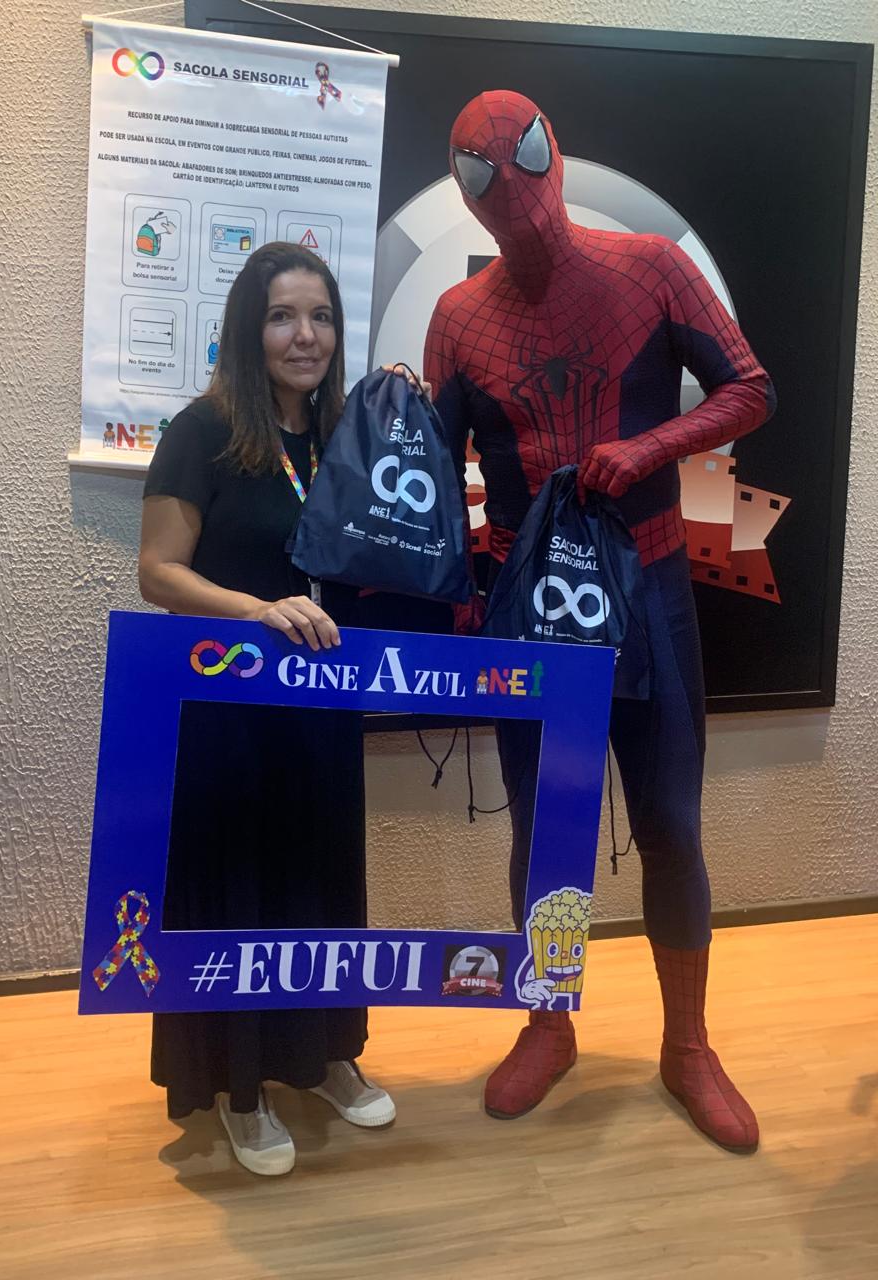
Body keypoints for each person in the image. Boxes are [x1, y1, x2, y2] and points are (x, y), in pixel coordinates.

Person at [425, 91, 776, 1151]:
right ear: (465, 192)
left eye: (524, 153)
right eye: (482, 170)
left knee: (670, 822)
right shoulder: (458, 317)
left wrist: (653, 447)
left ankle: (688, 1043)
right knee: (546, 830)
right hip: (529, 606)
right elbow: (431, 471)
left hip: (651, 584)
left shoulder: (651, 268)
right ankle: (549, 1020)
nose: (512, 185)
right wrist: (454, 584)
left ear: (556, 152)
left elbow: (749, 388)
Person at [139, 241, 414, 1176]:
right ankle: (240, 1087)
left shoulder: (345, 437)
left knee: (321, 880)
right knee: (241, 891)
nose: (306, 336)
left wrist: (407, 417)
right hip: (230, 717)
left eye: (322, 317)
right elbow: (158, 572)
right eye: (283, 317)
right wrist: (257, 611)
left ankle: (325, 1054)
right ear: (248, 329)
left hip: (321, 711)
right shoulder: (204, 430)